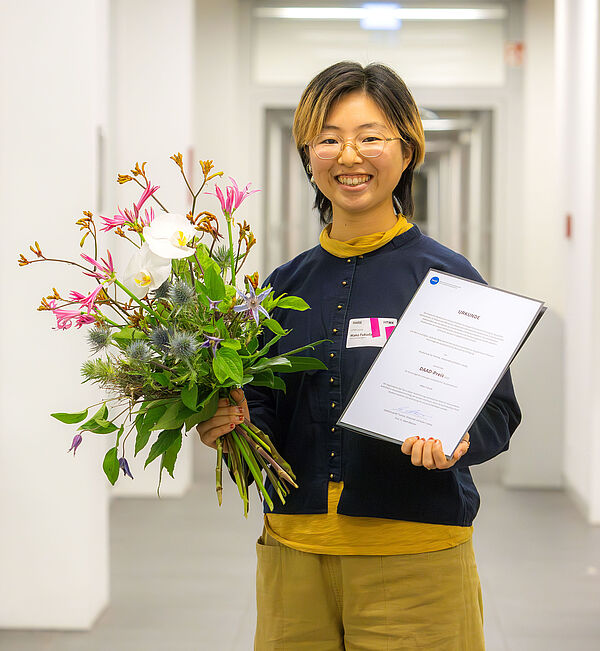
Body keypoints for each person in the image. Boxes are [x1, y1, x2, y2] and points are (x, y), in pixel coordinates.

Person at [197, 61, 521, 650]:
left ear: (407, 150)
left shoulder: (446, 277)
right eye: (329, 138)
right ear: (308, 154)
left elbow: (498, 412)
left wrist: (459, 438)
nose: (349, 156)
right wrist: (231, 426)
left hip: (416, 558)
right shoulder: (280, 287)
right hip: (295, 557)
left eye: (370, 136)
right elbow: (264, 409)